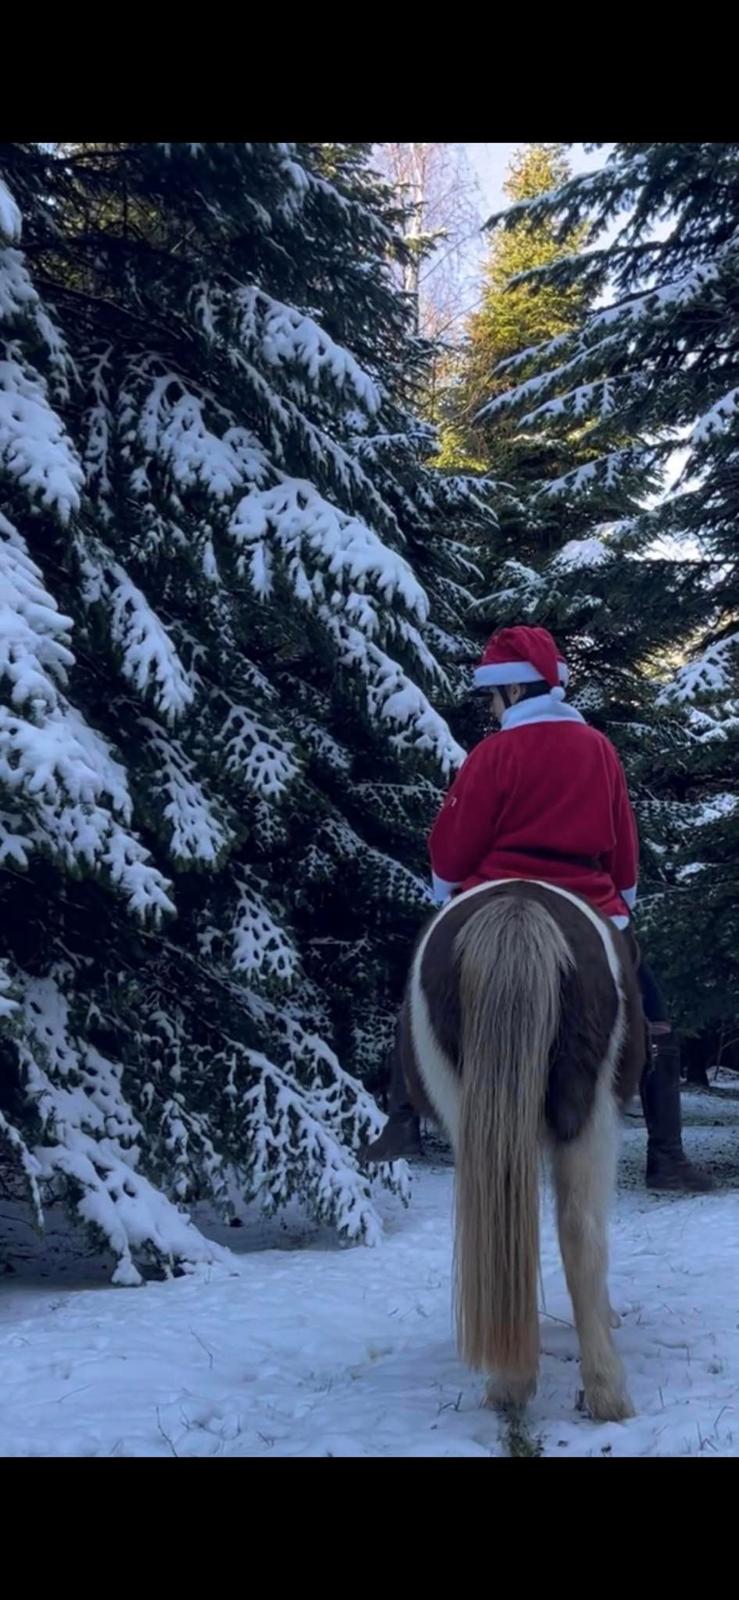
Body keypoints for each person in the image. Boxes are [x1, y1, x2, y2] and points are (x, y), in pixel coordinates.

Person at [362, 625, 712, 1193]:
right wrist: (622, 899)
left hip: (492, 891)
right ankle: (666, 1155)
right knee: (651, 1009)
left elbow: (452, 843)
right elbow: (622, 840)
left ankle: (404, 1119)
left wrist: (445, 887)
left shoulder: (493, 753)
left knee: (420, 988)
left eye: (494, 696)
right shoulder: (598, 748)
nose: (492, 707)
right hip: (586, 896)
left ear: (515, 692)